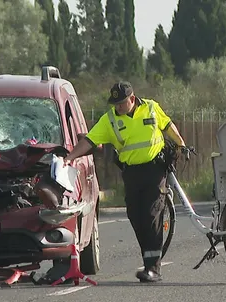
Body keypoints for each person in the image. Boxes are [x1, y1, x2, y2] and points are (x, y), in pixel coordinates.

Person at [65, 81, 187, 283]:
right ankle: (149, 261)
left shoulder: (150, 107)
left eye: (121, 103)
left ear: (132, 99)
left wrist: (181, 144)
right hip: (131, 173)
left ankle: (153, 268)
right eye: (115, 104)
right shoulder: (110, 119)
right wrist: (70, 158)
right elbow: (89, 141)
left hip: (155, 169)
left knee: (151, 216)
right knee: (135, 216)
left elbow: (167, 125)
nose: (118, 107)